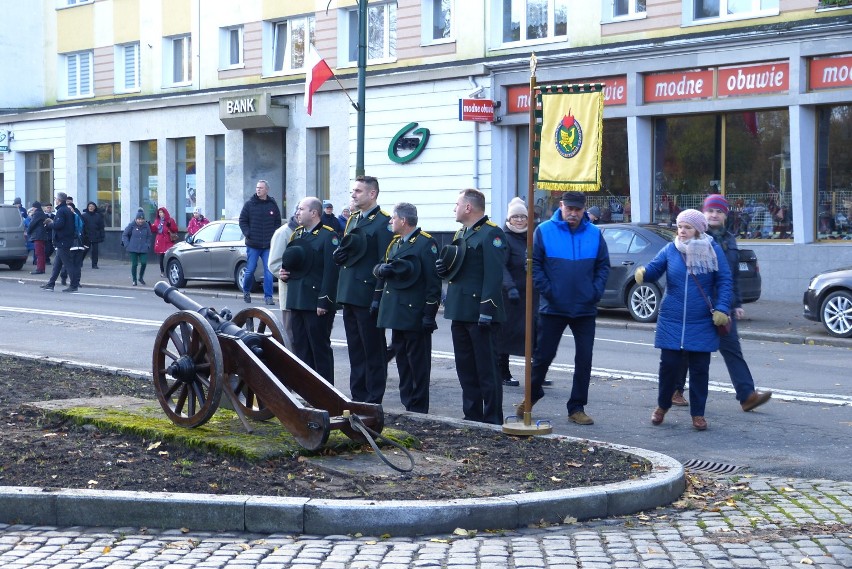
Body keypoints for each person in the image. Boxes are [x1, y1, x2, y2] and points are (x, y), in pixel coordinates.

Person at [670, 195, 772, 411]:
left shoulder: (729, 239)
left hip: (723, 306)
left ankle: (747, 396)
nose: (714, 215)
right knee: (688, 349)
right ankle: (675, 390)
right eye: (710, 211)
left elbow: (731, 276)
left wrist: (737, 303)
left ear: (725, 215)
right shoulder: (693, 236)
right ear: (704, 213)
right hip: (699, 305)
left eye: (719, 211)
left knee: (732, 349)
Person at [517, 191, 610, 426]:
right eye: (569, 208)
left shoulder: (594, 234)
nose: (573, 213)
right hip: (553, 307)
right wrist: (549, 291)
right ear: (561, 206)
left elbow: (603, 266)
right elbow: (534, 265)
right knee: (543, 357)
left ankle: (577, 407)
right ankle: (532, 395)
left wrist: (594, 292)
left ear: (584, 209)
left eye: (578, 209)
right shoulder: (544, 230)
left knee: (584, 359)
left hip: (585, 308)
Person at [635, 208, 733, 431]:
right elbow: (654, 269)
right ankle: (662, 406)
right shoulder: (671, 249)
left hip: (702, 319)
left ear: (698, 230)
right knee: (668, 366)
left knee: (700, 369)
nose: (682, 231)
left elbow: (725, 281)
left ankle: (698, 414)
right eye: (679, 226)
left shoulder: (713, 250)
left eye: (687, 227)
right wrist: (643, 273)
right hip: (672, 317)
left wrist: (722, 308)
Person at [437, 188, 507, 425]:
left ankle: (492, 418)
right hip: (460, 309)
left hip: (480, 312)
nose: (454, 208)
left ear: (468, 207)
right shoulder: (462, 233)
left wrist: (487, 309)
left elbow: (493, 275)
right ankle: (472, 415)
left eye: (457, 204)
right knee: (465, 368)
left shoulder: (491, 234)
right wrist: (444, 269)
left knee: (487, 369)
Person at [373, 202, 441, 413]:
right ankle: (408, 402)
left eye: (393, 218)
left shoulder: (425, 244)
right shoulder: (395, 243)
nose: (390, 222)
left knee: (418, 364)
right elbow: (382, 269)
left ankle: (419, 407)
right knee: (403, 361)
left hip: (414, 313)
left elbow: (433, 282)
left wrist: (429, 314)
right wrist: (379, 272)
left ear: (403, 221)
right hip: (396, 312)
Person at [333, 175, 393, 405]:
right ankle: (358, 395)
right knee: (355, 350)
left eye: (358, 191)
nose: (353, 195)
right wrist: (340, 256)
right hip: (349, 292)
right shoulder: (353, 220)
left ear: (372, 194)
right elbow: (350, 250)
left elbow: (383, 261)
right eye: (353, 191)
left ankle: (373, 397)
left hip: (367, 294)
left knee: (373, 351)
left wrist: (378, 297)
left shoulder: (384, 222)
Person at [278, 197, 339, 383]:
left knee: (319, 348)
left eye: (301, 209)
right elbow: (290, 263)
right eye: (297, 209)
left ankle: (327, 392)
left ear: (314, 213)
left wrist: (324, 301)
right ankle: (308, 391)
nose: (297, 212)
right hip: (297, 298)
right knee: (301, 347)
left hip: (315, 302)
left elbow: (331, 272)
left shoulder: (329, 236)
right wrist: (283, 273)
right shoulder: (296, 235)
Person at [496, 197, 539, 388]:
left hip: (532, 295)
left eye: (523, 216)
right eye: (516, 217)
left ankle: (537, 373)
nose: (520, 220)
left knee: (534, 334)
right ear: (509, 219)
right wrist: (510, 287)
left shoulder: (532, 236)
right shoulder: (504, 238)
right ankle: (502, 372)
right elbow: (501, 266)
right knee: (507, 336)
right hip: (511, 297)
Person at [239, 180, 282, 305]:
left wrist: (274, 235)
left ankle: (268, 297)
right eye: (257, 187)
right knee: (250, 270)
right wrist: (248, 233)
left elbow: (277, 222)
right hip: (253, 244)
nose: (258, 190)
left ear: (266, 190)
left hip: (268, 245)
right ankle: (246, 291)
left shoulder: (272, 204)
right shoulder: (249, 204)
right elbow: (242, 221)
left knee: (269, 270)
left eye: (261, 188)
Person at [268, 206, 300, 348]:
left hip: (306, 295)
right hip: (290, 294)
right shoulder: (283, 233)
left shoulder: (306, 231)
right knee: (291, 336)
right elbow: (274, 263)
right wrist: (285, 274)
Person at [41, 192, 81, 292]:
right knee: (57, 264)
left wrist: (49, 224)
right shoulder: (67, 210)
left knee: (68, 264)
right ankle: (51, 283)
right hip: (65, 240)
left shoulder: (61, 211)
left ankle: (74, 285)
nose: (55, 200)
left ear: (58, 200)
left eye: (56, 199)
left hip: (63, 240)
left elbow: (59, 225)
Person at [122, 209, 153, 286]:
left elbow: (149, 236)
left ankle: (141, 277)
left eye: (142, 219)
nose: (140, 221)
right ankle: (134, 279)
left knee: (144, 263)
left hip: (143, 248)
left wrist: (148, 245)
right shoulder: (131, 225)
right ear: (136, 219)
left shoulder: (146, 226)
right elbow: (124, 235)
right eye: (139, 219)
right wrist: (127, 244)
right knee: (134, 264)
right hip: (133, 248)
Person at [151, 206, 179, 277]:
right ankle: (162, 271)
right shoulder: (157, 221)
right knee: (161, 257)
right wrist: (150, 226)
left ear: (165, 213)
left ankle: (169, 271)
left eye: (162, 212)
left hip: (168, 240)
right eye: (159, 212)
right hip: (160, 240)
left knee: (169, 256)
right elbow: (155, 229)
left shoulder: (170, 220)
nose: (160, 214)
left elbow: (175, 229)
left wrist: (170, 226)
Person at [81, 201, 105, 269]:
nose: (91, 208)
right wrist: (83, 234)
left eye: (92, 207)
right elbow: (82, 226)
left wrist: (102, 235)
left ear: (95, 208)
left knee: (95, 251)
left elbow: (101, 226)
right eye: (90, 206)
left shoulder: (98, 216)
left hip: (95, 235)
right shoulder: (83, 215)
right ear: (88, 207)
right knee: (84, 250)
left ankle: (94, 264)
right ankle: (80, 262)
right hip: (86, 236)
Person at [26, 201, 48, 274]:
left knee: (39, 253)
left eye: (33, 207)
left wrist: (28, 231)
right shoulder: (41, 213)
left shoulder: (37, 214)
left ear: (35, 207)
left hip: (38, 235)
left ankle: (40, 269)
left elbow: (32, 224)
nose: (32, 209)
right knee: (41, 252)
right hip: (41, 235)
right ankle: (41, 268)